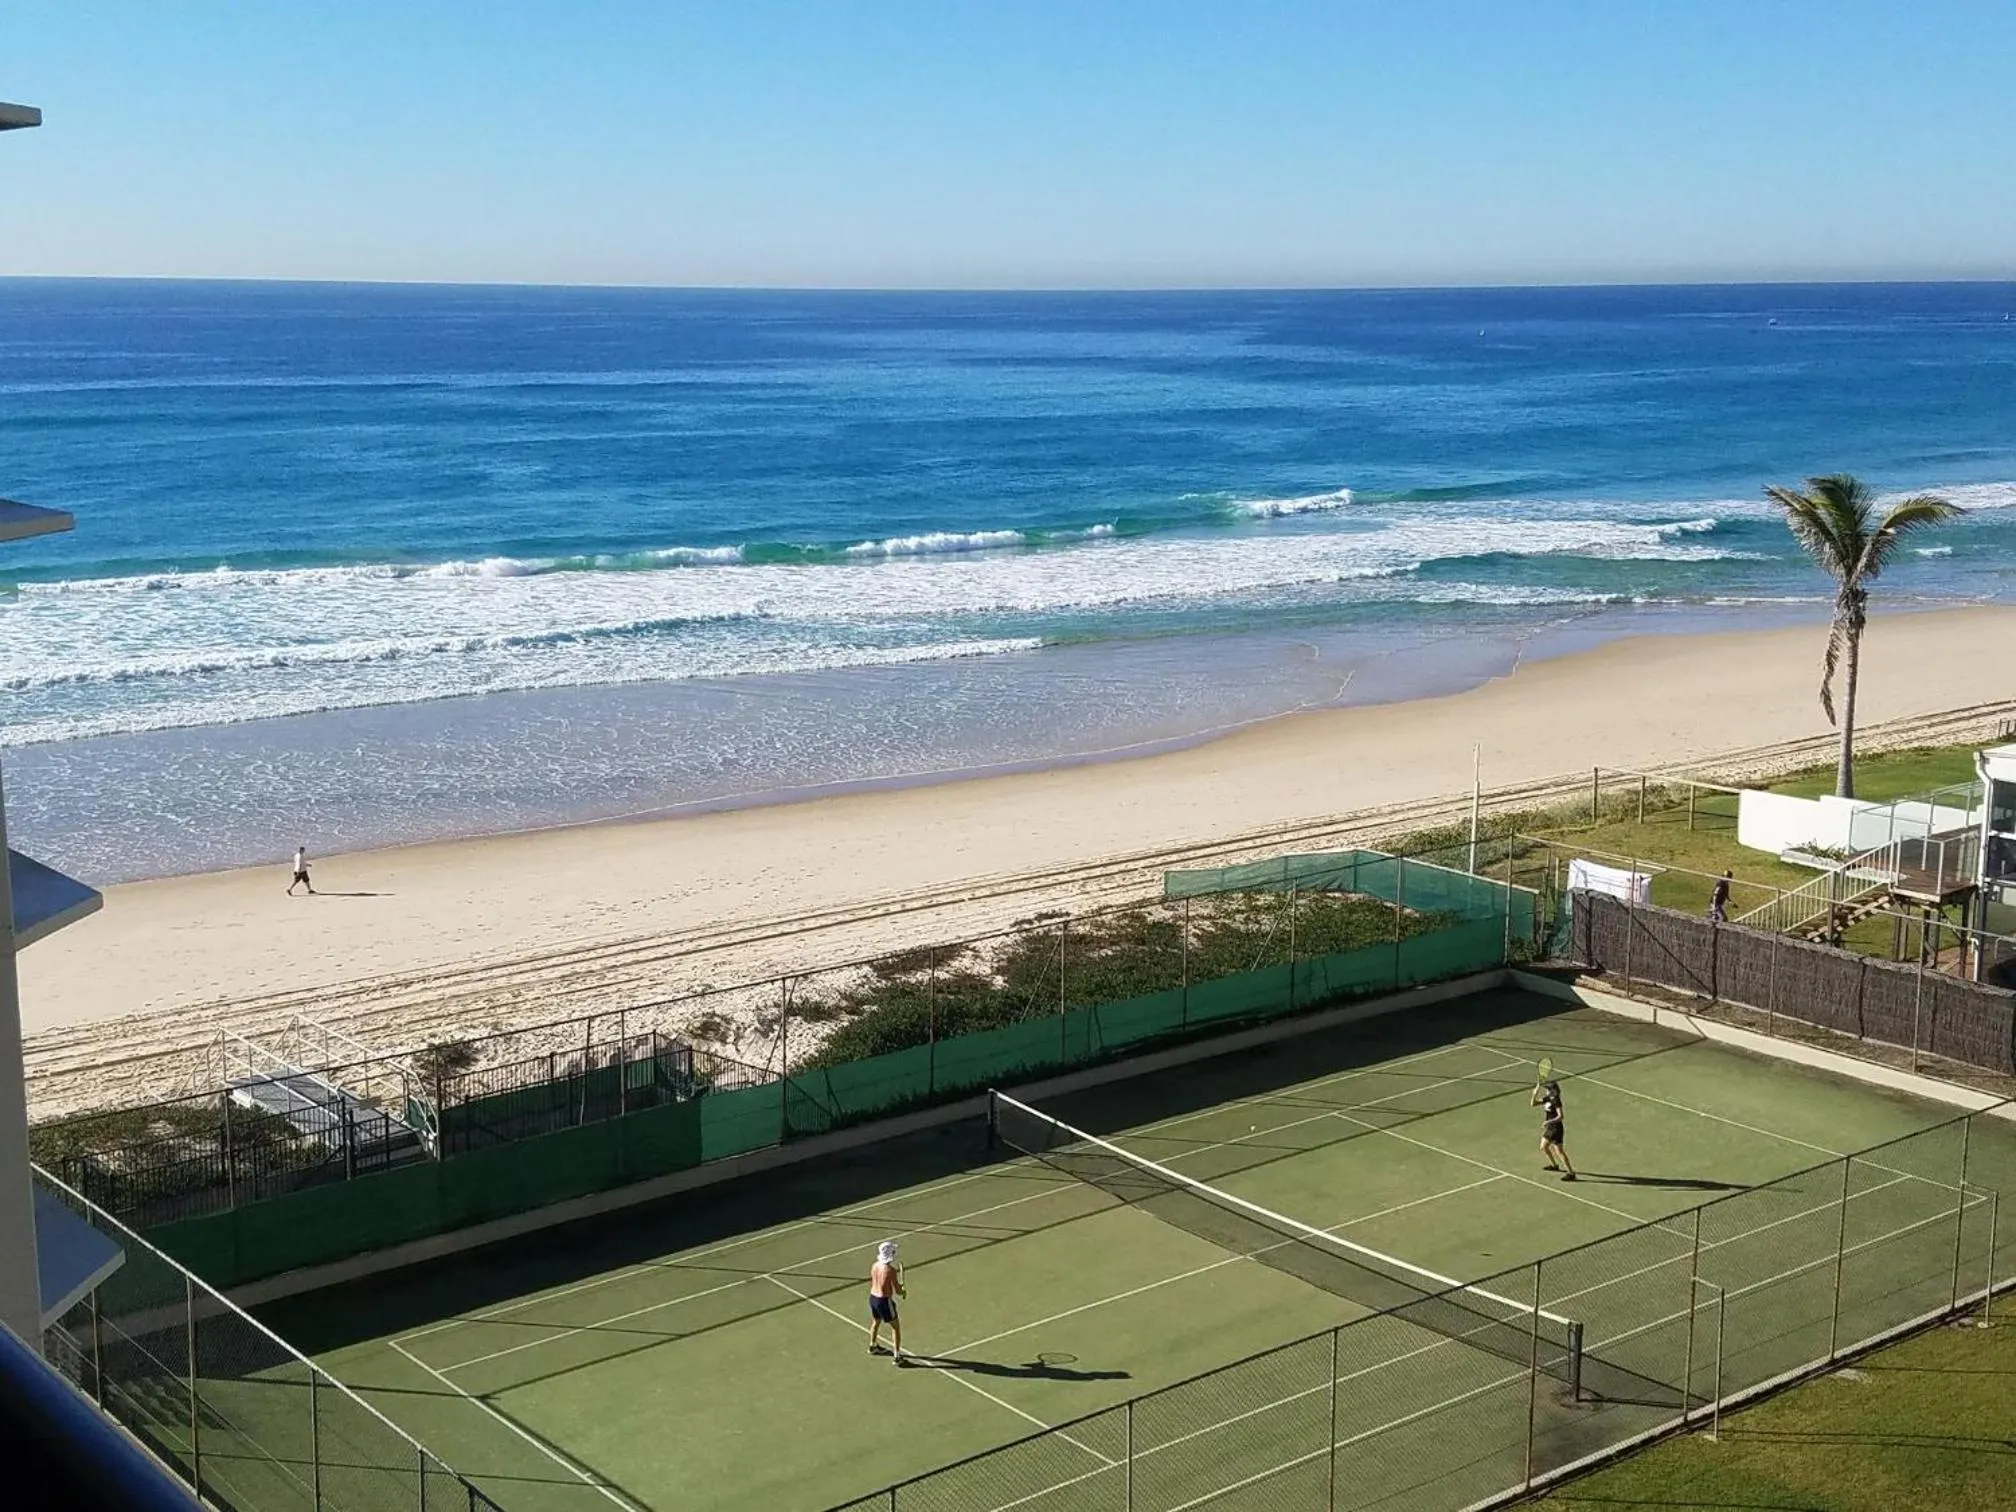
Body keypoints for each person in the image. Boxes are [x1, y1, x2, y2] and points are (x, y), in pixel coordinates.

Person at [867, 1240, 906, 1363]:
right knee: (896, 1327)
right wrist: (902, 1289)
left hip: (873, 1298)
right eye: (893, 1251)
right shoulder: (890, 1271)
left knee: (876, 1321)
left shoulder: (874, 1266)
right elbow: (898, 1291)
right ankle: (897, 1357)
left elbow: (877, 1283)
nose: (894, 1253)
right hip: (884, 1301)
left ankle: (873, 1346)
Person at [1532, 1080, 1575, 1180]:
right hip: (1550, 1128)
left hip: (1556, 1128)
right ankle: (1555, 1165)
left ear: (1553, 1090)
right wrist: (1534, 1094)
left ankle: (1571, 1173)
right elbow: (1533, 1104)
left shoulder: (1556, 1101)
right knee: (1543, 1147)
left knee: (1559, 1151)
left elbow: (1561, 1116)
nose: (1546, 1091)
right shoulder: (1548, 1098)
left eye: (1548, 1089)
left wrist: (1548, 1122)